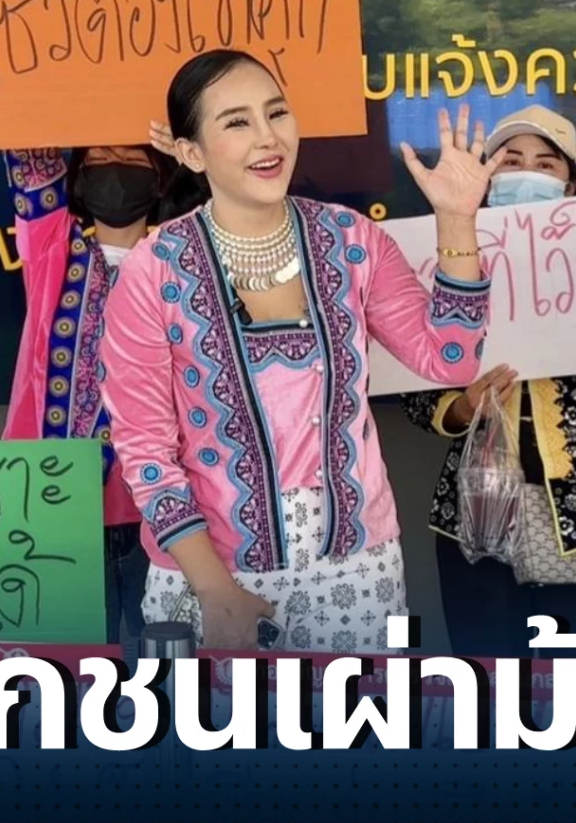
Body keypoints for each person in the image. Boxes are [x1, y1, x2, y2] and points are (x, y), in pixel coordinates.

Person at [101, 48, 501, 652]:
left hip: (356, 571)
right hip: (209, 576)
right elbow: (145, 451)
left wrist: (456, 220)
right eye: (237, 122)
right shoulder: (153, 270)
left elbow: (450, 358)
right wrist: (215, 591)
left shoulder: (352, 241)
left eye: (277, 113)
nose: (268, 137)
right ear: (191, 152)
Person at [401, 73, 576, 660]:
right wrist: (460, 406)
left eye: (545, 164)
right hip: (477, 513)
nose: (525, 173)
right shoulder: (450, 258)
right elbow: (412, 380)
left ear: (570, 183)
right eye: (510, 161)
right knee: (487, 681)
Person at [0, 141, 186, 647]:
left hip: (164, 516)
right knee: (74, 664)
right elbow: (29, 160)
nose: (113, 171)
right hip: (60, 508)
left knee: (169, 665)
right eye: (98, 161)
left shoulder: (181, 259)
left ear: (159, 178)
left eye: (130, 160)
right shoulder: (54, 252)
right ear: (79, 179)